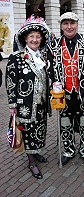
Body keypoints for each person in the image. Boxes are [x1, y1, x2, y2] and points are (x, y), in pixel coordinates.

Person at [5, 15, 52, 179]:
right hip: (25, 104)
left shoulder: (42, 56)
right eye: (31, 36)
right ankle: (31, 162)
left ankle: (36, 153)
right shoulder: (16, 57)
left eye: (37, 36)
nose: (35, 39)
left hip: (41, 103)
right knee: (27, 132)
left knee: (39, 130)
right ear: (25, 38)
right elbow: (11, 82)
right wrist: (12, 104)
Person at [48, 12, 84, 166]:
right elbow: (50, 70)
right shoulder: (53, 45)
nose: (69, 27)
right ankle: (68, 150)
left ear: (77, 24)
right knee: (65, 124)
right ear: (61, 26)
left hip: (83, 93)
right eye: (65, 24)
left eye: (72, 23)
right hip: (63, 93)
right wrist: (53, 88)